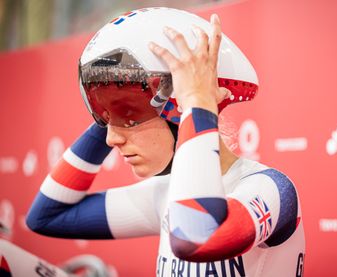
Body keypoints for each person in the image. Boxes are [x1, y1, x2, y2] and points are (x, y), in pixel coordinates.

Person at [24, 7, 305, 277]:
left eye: (130, 117)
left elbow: (197, 237)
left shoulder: (269, 187)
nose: (111, 139)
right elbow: (46, 216)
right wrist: (111, 107)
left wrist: (198, 99)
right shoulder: (168, 192)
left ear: (178, 108)